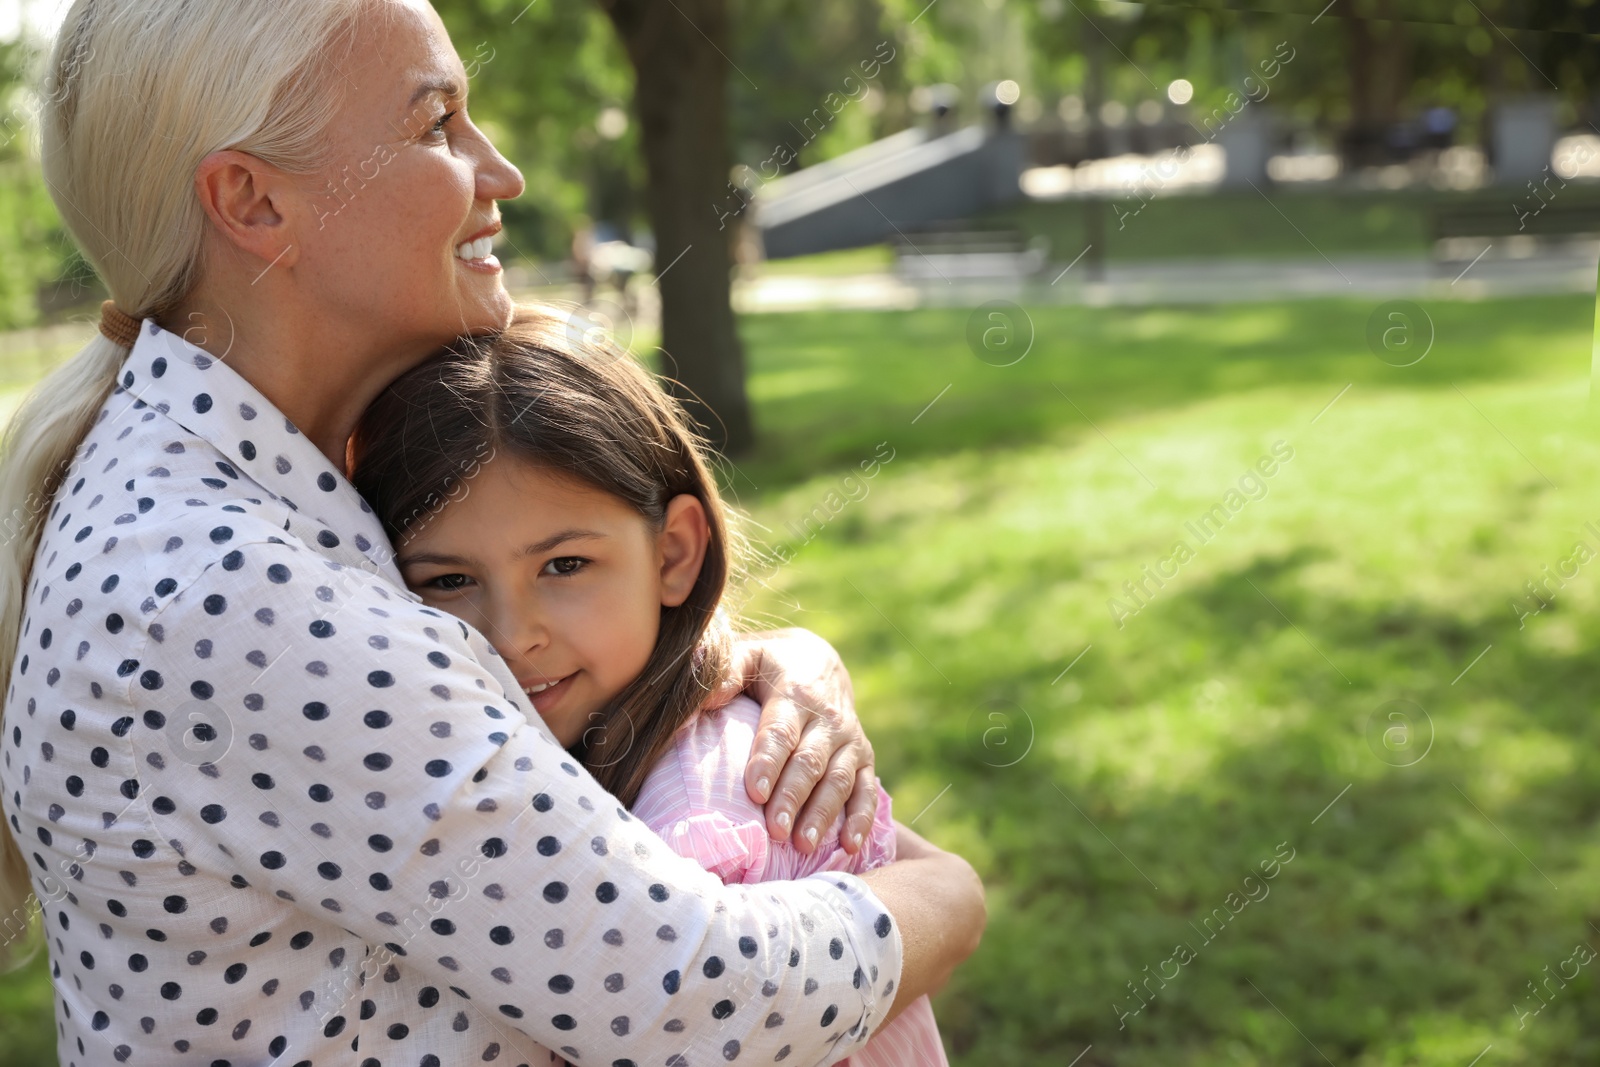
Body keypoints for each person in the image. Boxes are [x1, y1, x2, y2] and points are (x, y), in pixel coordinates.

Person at [0, 2, 987, 1065]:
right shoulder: (233, 596)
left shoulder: (245, 498)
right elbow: (701, 1000)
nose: (501, 169)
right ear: (253, 200)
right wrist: (944, 887)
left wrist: (758, 662)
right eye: (436, 125)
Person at [349, 310, 954, 1067]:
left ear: (674, 552)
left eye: (564, 565)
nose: (510, 633)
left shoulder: (716, 817)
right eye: (449, 579)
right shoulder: (565, 755)